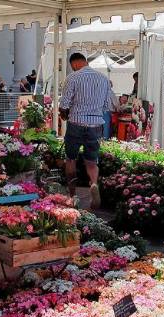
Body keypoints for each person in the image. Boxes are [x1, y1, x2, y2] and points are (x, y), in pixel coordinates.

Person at [59, 52, 110, 208]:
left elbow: (64, 104)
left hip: (76, 123)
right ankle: (94, 184)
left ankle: (73, 194)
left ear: (74, 64)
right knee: (91, 161)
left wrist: (64, 116)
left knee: (71, 158)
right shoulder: (104, 79)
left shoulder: (73, 77)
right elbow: (107, 106)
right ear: (85, 61)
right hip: (96, 125)